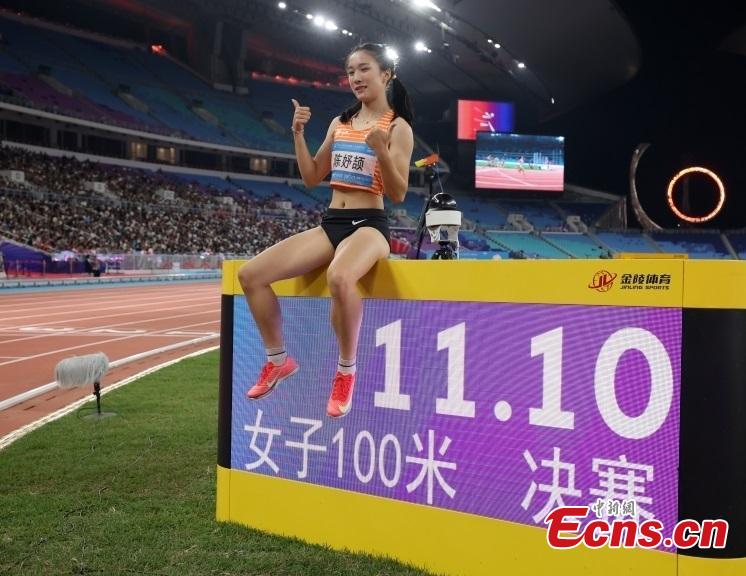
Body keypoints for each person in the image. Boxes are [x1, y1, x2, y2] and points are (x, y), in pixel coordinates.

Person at [238, 43, 414, 418]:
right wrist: (298, 133)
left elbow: (398, 193)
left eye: (364, 69)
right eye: (350, 72)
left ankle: (346, 371)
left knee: (339, 276)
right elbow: (311, 176)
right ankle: (278, 360)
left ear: (385, 74)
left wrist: (382, 150)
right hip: (332, 222)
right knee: (250, 275)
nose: (356, 78)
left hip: (369, 226)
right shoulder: (340, 123)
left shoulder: (398, 127)